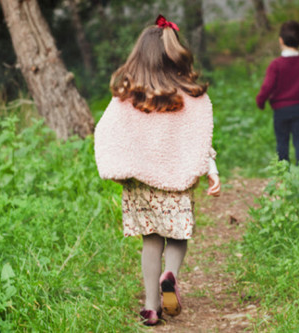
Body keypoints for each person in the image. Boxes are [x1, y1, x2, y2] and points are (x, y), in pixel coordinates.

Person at [94, 14, 221, 326]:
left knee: (151, 240)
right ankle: (171, 276)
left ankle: (151, 306)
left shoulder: (127, 96)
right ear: (173, 53)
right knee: (178, 235)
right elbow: (200, 138)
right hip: (177, 181)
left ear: (140, 56)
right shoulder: (191, 95)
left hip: (140, 182)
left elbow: (107, 132)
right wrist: (210, 167)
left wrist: (118, 166)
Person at [256, 20, 299, 167]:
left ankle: (284, 175)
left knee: (282, 142)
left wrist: (261, 101)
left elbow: (267, 86)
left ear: (280, 40)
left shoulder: (276, 65)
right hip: (298, 109)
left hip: (280, 110)